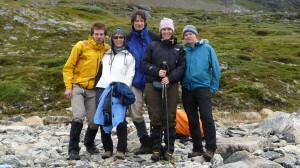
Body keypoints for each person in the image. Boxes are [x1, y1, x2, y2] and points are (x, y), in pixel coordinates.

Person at [62, 22, 111, 160]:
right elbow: (68, 67)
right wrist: (68, 87)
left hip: (94, 90)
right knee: (78, 115)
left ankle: (89, 144)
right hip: (78, 86)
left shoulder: (107, 49)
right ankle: (73, 149)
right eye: (96, 34)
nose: (99, 37)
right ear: (91, 34)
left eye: (101, 34)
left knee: (95, 121)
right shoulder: (81, 46)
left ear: (105, 35)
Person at [142, 17, 186, 162]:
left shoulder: (179, 48)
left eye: (169, 29)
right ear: (160, 31)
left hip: (171, 85)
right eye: (164, 29)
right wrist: (156, 71)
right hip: (152, 84)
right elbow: (145, 63)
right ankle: (156, 149)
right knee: (155, 116)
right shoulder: (153, 46)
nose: (166, 32)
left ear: (173, 31)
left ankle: (169, 150)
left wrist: (171, 77)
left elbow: (182, 67)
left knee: (170, 116)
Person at [95, 27, 135, 160]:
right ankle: (107, 149)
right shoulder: (106, 54)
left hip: (119, 90)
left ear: (125, 39)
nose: (118, 40)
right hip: (102, 88)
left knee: (121, 120)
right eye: (116, 37)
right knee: (103, 118)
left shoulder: (129, 57)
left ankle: (121, 149)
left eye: (121, 37)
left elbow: (130, 75)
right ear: (112, 39)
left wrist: (123, 89)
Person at [181, 25, 220, 161]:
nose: (188, 36)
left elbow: (215, 68)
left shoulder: (207, 49)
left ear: (195, 35)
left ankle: (211, 148)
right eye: (186, 34)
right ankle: (197, 148)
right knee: (192, 120)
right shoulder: (183, 51)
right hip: (187, 89)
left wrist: (213, 87)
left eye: (191, 33)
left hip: (203, 88)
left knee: (206, 117)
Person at [126, 10, 159, 155]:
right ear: (132, 23)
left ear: (145, 22)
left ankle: (156, 142)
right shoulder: (127, 39)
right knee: (135, 112)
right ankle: (145, 141)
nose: (139, 23)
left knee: (154, 113)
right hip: (135, 81)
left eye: (141, 20)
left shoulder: (154, 37)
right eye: (136, 21)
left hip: (152, 80)